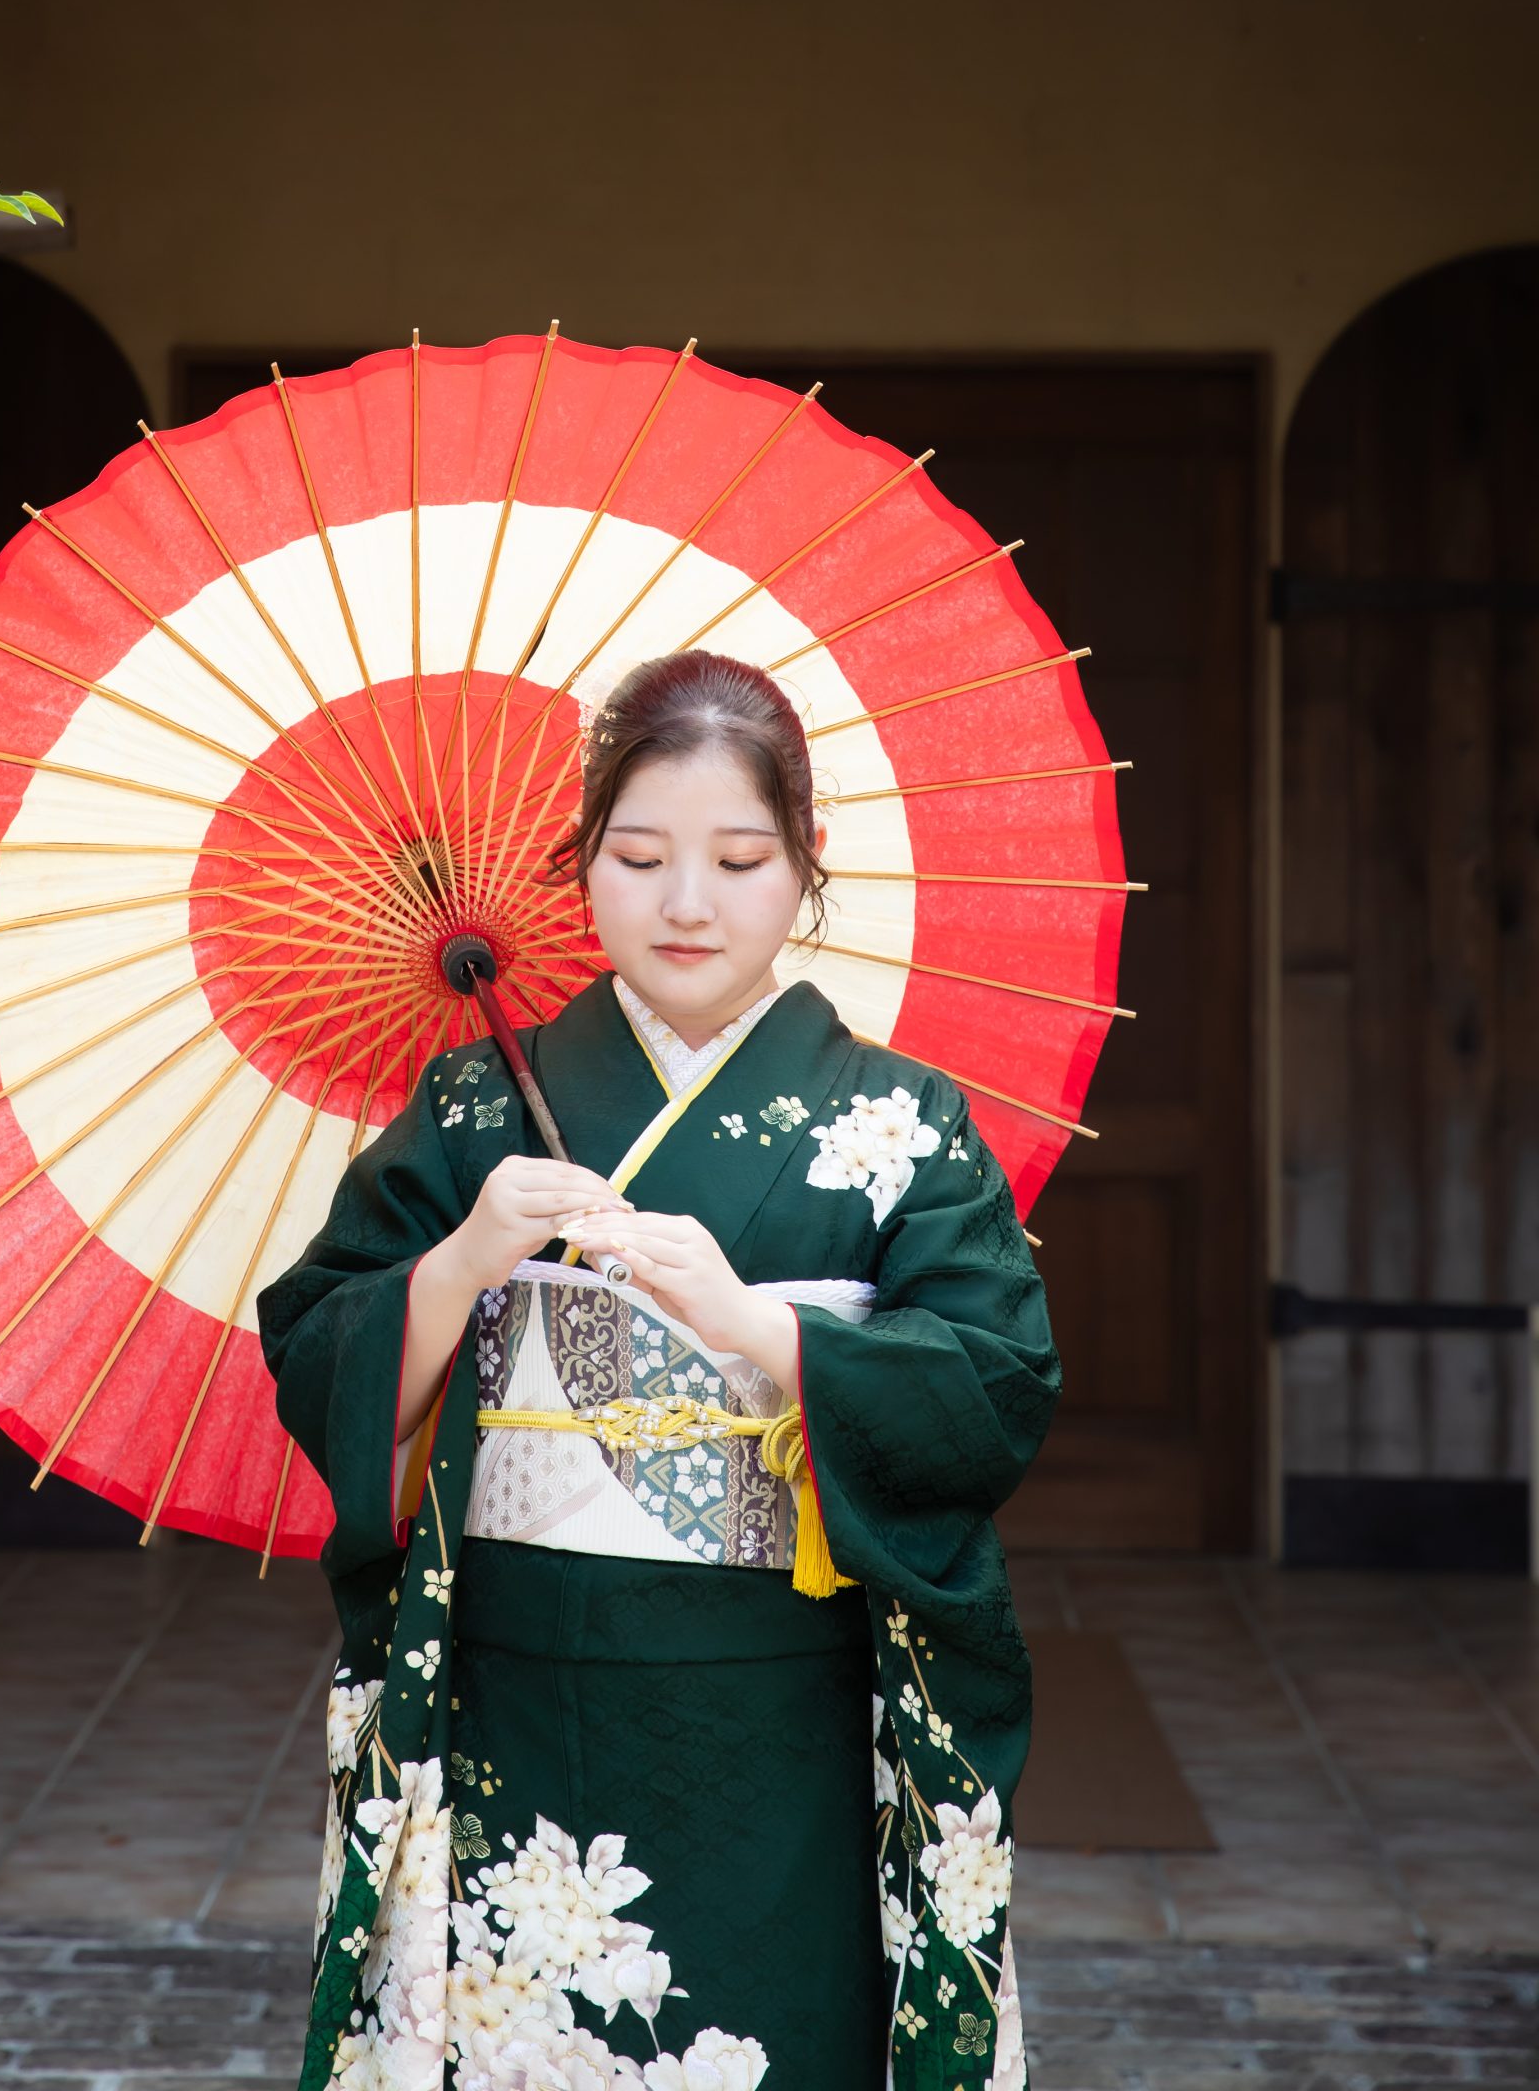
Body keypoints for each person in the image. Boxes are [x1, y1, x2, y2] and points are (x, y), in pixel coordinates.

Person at [257, 648, 1058, 2091]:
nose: (688, 903)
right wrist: (456, 1265)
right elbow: (321, 1350)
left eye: (741, 859)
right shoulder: (470, 1108)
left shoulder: (899, 1122)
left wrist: (757, 1326)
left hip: (785, 1713)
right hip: (525, 1693)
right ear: (583, 867)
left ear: (804, 871)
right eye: (640, 856)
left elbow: (994, 1389)